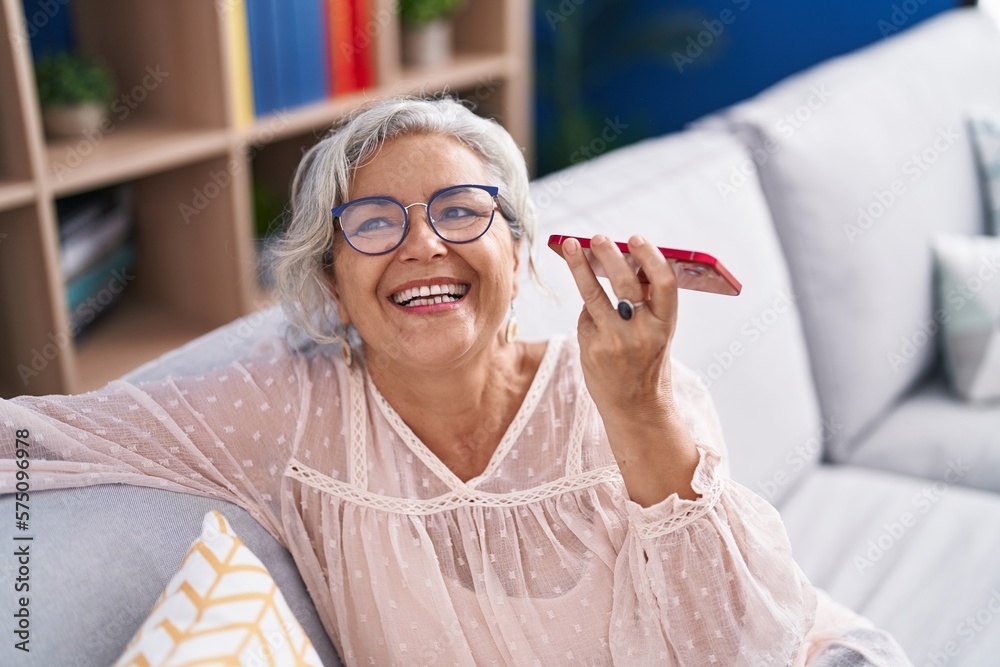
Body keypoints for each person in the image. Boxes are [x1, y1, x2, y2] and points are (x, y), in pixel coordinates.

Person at [0, 97, 910, 665]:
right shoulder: (289, 413)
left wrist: (639, 409)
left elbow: (744, 652)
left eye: (460, 211)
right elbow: (53, 432)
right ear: (334, 288)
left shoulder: (624, 385)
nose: (423, 242)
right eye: (375, 222)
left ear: (517, 255)